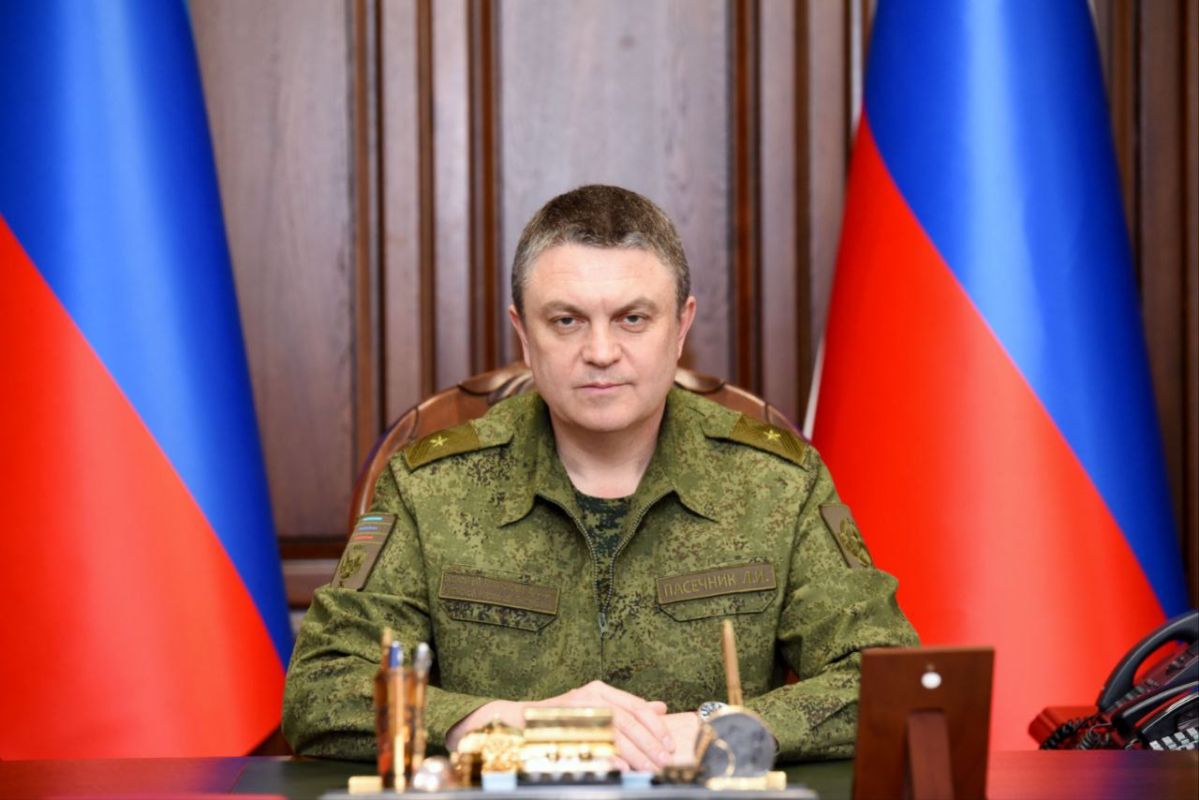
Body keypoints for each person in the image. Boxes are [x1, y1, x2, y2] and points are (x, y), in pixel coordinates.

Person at [282, 184, 919, 769]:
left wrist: (727, 728)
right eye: (567, 321)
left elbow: (888, 680)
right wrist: (502, 724)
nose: (602, 352)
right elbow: (320, 689)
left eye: (633, 318)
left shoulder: (775, 482)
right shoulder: (432, 486)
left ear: (681, 327)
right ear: (523, 334)